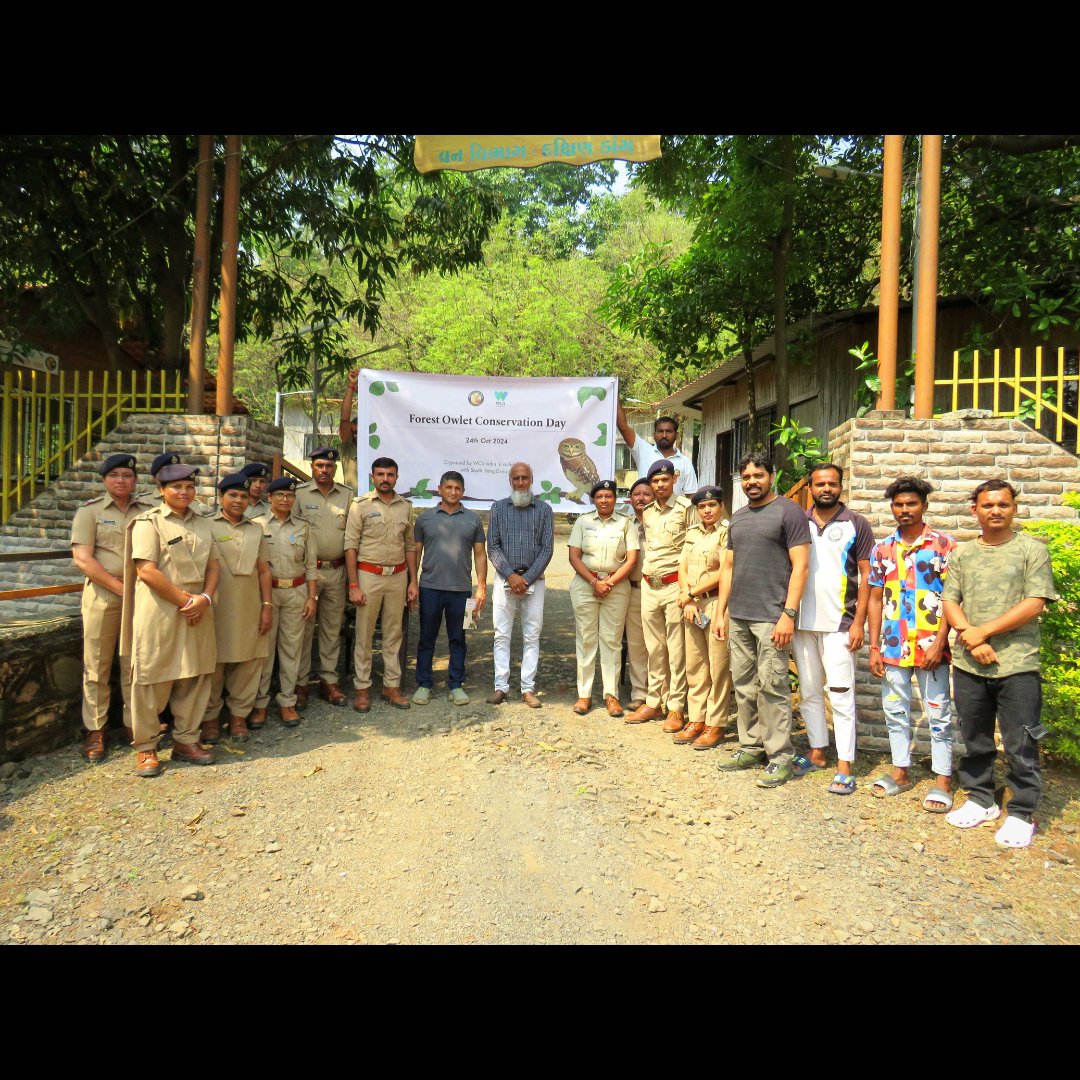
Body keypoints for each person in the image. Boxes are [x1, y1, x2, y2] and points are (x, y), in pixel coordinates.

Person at [943, 480, 1057, 849]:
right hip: (969, 663)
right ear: (974, 509)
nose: (995, 511)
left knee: (1020, 741)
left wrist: (982, 633)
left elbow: (1035, 602)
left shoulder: (1031, 551)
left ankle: (1022, 813)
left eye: (1003, 505)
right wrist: (970, 637)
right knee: (974, 737)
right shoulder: (961, 553)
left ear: (1014, 509)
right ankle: (981, 799)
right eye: (988, 505)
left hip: (1017, 663)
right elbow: (950, 600)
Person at [715, 452, 811, 788]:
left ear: (771, 476)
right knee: (743, 686)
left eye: (758, 475)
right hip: (739, 615)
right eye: (746, 477)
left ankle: (780, 756)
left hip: (772, 616)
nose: (752, 482)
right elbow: (727, 568)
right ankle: (751, 746)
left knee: (773, 687)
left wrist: (788, 614)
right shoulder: (738, 518)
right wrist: (720, 611)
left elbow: (801, 566)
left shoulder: (789, 511)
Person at [120, 462, 220, 778]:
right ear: (162, 490)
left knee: (196, 673)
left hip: (198, 610)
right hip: (161, 611)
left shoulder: (204, 524)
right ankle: (146, 748)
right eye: (176, 487)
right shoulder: (148, 523)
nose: (184, 492)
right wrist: (185, 600)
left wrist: (204, 599)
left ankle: (186, 741)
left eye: (189, 486)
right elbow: (146, 570)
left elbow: (214, 567)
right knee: (152, 676)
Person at [866, 476, 957, 810]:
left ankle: (943, 781)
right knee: (894, 710)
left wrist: (940, 643)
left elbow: (952, 598)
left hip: (932, 647)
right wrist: (873, 646)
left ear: (924, 506)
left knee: (938, 713)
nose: (904, 510)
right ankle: (900, 772)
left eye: (911, 504)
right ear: (892, 508)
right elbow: (875, 599)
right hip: (893, 646)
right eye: (899, 504)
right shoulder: (883, 548)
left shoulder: (944, 545)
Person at [790, 463, 875, 794]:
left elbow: (868, 575)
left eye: (832, 483)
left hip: (841, 623)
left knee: (841, 694)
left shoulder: (856, 524)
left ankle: (845, 763)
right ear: (810, 487)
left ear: (841, 487)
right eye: (820, 483)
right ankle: (818, 751)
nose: (826, 488)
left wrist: (859, 623)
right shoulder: (799, 522)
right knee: (809, 692)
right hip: (802, 623)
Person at [70, 453, 153, 761]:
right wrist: (120, 587)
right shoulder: (89, 512)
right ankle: (95, 730)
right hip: (104, 597)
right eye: (115, 475)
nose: (121, 480)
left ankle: (137, 726)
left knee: (135, 663)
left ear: (135, 480)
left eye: (127, 475)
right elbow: (83, 559)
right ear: (105, 479)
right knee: (97, 666)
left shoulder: (147, 510)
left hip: (142, 596)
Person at [200, 473, 273, 744]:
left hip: (249, 605)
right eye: (233, 495)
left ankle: (239, 716)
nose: (239, 500)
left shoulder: (256, 529)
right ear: (221, 498)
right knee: (213, 663)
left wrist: (267, 605)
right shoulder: (205, 526)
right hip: (216, 606)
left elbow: (264, 571)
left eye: (243, 496)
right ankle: (209, 719)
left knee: (249, 661)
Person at [624, 460, 697, 729]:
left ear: (674, 479)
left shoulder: (687, 509)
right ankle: (654, 702)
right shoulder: (648, 512)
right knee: (654, 648)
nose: (659, 485)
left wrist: (688, 591)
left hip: (674, 586)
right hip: (649, 586)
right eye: (655, 481)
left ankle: (676, 707)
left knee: (676, 650)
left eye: (664, 480)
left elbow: (693, 548)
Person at [345, 456, 418, 712]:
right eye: (380, 474)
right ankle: (362, 689)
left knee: (393, 633)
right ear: (372, 477)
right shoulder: (360, 506)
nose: (385, 479)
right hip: (368, 575)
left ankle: (391, 686)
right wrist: (354, 584)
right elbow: (350, 546)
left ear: (397, 477)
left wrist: (413, 582)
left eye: (390, 475)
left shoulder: (405, 507)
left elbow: (410, 546)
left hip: (397, 577)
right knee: (364, 634)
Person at [412, 471, 487, 705]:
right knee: (427, 637)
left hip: (463, 591)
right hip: (429, 588)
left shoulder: (473, 519)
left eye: (457, 488)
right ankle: (424, 684)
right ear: (439, 489)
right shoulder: (425, 518)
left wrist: (481, 587)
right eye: (449, 487)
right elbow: (416, 552)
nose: (453, 492)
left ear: (462, 491)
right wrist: (412, 583)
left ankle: (456, 684)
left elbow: (480, 554)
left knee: (460, 638)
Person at [250, 477, 318, 728]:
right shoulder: (256, 525)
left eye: (289, 496)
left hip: (296, 592)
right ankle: (259, 704)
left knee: (292, 649)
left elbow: (311, 565)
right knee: (264, 651)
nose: (285, 499)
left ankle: (287, 702)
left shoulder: (303, 527)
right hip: (266, 595)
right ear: (269, 498)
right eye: (279, 495)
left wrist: (312, 597)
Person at [567, 479, 639, 717]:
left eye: (608, 496)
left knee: (611, 641)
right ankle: (584, 695)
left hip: (616, 587)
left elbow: (631, 559)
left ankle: (611, 695)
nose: (604, 500)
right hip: (586, 585)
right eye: (600, 497)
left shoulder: (625, 523)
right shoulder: (583, 521)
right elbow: (574, 557)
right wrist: (594, 582)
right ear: (594, 500)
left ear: (615, 499)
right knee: (586, 639)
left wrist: (609, 582)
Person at [486, 462, 555, 708]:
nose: (520, 483)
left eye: (525, 478)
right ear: (510, 481)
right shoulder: (498, 508)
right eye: (516, 478)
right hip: (505, 580)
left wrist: (526, 579)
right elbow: (492, 547)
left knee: (532, 635)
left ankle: (527, 688)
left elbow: (547, 549)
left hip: (534, 582)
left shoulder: (545, 510)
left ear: (532, 479)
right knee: (501, 635)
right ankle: (501, 687)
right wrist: (511, 576)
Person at [296, 447, 355, 708]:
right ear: (312, 467)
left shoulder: (347, 496)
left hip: (337, 571)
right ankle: (299, 683)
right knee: (304, 629)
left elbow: (353, 536)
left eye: (329, 466)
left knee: (332, 628)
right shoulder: (299, 495)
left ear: (335, 468)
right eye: (319, 465)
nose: (324, 470)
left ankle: (328, 681)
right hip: (308, 573)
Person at [676, 485, 733, 750]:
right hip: (693, 605)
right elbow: (683, 567)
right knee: (695, 665)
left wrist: (690, 593)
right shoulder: (692, 533)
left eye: (711, 505)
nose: (707, 510)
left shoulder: (727, 532)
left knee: (718, 666)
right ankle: (697, 718)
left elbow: (724, 572)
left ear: (720, 506)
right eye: (702, 507)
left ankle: (716, 722)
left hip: (715, 603)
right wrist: (687, 597)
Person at [616, 404, 699, 497]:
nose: (664, 435)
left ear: (676, 435)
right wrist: (615, 391)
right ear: (654, 435)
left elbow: (691, 496)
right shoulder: (643, 451)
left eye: (669, 431)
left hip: (675, 511)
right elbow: (622, 426)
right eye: (660, 431)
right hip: (647, 510)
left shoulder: (685, 462)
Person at [623, 478, 654, 711]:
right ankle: (639, 692)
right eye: (637, 494)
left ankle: (659, 693)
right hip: (633, 590)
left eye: (646, 494)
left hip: (658, 590)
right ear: (630, 499)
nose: (641, 498)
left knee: (659, 645)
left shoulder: (662, 522)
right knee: (636, 645)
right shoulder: (625, 525)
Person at [140, 452, 212, 516]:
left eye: (176, 472)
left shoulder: (193, 503)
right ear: (154, 477)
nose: (172, 475)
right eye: (166, 472)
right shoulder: (142, 502)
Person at [338, 369, 360, 490]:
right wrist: (351, 386)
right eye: (355, 432)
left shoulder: (375, 449)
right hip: (353, 505)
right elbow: (344, 420)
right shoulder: (348, 450)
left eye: (361, 432)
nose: (357, 435)